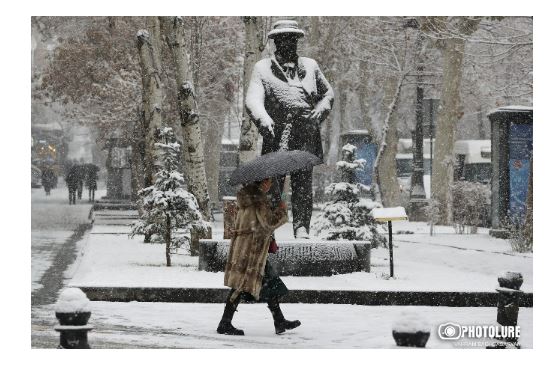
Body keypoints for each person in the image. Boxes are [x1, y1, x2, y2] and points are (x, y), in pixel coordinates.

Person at [245, 20, 334, 239]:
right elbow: (253, 100)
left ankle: (302, 227)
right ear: (275, 42)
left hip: (305, 135)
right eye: (284, 40)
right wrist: (264, 121)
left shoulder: (310, 66)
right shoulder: (263, 68)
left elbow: (328, 94)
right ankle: (271, 228)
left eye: (293, 40)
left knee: (303, 185)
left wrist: (318, 114)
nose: (289, 45)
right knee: (273, 186)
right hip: (277, 134)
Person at [217, 177, 301, 336]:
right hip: (252, 251)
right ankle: (224, 323)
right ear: (262, 182)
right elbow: (269, 223)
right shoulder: (258, 200)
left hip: (245, 248)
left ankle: (279, 320)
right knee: (241, 285)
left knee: (269, 281)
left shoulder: (246, 198)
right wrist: (282, 210)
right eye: (269, 181)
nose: (270, 184)